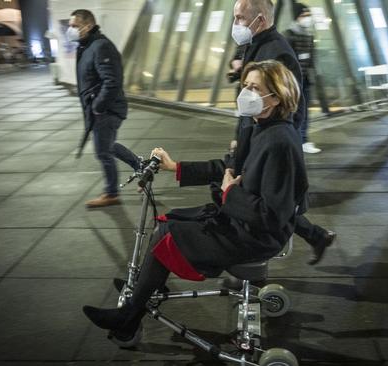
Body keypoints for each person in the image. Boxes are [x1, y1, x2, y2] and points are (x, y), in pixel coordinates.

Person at [83, 60, 308, 346]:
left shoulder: (279, 143)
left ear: (275, 97)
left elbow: (273, 216)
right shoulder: (260, 127)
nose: (246, 93)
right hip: (241, 221)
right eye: (245, 86)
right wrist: (174, 167)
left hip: (257, 235)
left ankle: (128, 318)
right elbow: (226, 166)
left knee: (169, 236)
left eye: (255, 88)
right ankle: (145, 288)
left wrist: (229, 194)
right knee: (170, 220)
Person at [231, 0, 335, 265]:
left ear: (261, 20)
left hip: (265, 138)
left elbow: (289, 105)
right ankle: (316, 236)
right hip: (254, 134)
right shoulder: (255, 44)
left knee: (259, 200)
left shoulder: (277, 52)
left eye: (241, 18)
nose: (237, 24)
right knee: (256, 197)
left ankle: (246, 270)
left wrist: (270, 143)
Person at [68, 9, 128, 208]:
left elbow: (112, 81)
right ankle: (139, 165)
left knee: (103, 151)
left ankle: (112, 193)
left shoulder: (101, 46)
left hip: (107, 110)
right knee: (108, 145)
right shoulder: (87, 46)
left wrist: (98, 106)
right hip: (99, 109)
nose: (71, 30)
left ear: (88, 26)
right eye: (70, 26)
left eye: (74, 26)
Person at [284, 2, 321, 154]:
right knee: (292, 112)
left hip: (305, 80)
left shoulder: (309, 35)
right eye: (304, 15)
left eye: (308, 15)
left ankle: (303, 140)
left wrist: (313, 75)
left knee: (304, 112)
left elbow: (311, 59)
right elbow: (286, 60)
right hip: (292, 81)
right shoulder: (289, 35)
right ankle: (293, 140)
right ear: (297, 17)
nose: (308, 18)